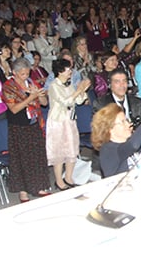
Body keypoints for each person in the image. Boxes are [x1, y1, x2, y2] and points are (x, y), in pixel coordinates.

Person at [2, 58, 51, 203]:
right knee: (21, 159)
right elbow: (15, 109)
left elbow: (44, 103)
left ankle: (39, 186)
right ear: (15, 73)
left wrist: (40, 95)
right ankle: (23, 192)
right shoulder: (8, 86)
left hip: (34, 123)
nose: (25, 76)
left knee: (37, 157)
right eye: (22, 74)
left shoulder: (31, 82)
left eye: (27, 73)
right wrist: (31, 97)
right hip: (19, 127)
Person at [91, 94, 141, 178]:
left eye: (127, 120)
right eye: (123, 122)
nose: (129, 124)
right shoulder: (108, 149)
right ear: (110, 129)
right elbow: (132, 146)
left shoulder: (131, 139)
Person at [46, 59, 91, 190]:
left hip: (70, 120)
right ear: (60, 71)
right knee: (59, 151)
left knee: (72, 148)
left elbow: (78, 100)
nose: (70, 72)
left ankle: (69, 177)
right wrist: (79, 90)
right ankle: (59, 180)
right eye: (68, 69)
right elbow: (65, 101)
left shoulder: (68, 84)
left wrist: (83, 90)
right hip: (58, 122)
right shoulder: (54, 86)